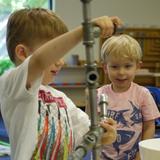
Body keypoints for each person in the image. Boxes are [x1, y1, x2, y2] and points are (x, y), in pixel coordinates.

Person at [0, 8, 122, 160]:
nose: (61, 61)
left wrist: (105, 133)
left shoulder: (61, 99)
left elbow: (87, 133)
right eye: (56, 53)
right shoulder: (11, 85)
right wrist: (84, 31)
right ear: (22, 53)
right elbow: (38, 60)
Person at [97, 34, 160, 160]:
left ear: (137, 66)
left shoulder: (143, 94)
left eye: (127, 66)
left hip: (134, 156)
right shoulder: (99, 94)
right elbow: (92, 126)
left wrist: (141, 154)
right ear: (105, 68)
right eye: (114, 66)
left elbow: (149, 126)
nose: (121, 72)